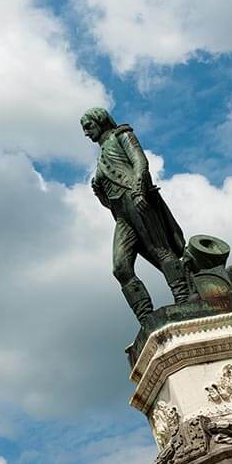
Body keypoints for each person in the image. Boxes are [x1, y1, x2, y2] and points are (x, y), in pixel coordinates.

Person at [81, 107, 191, 322]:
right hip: (121, 214)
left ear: (100, 121)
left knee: (161, 250)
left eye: (88, 126)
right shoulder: (101, 154)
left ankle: (185, 297)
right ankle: (146, 317)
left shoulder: (122, 135)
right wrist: (99, 193)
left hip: (136, 199)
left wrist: (140, 190)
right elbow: (110, 202)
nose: (86, 133)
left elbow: (140, 162)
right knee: (121, 268)